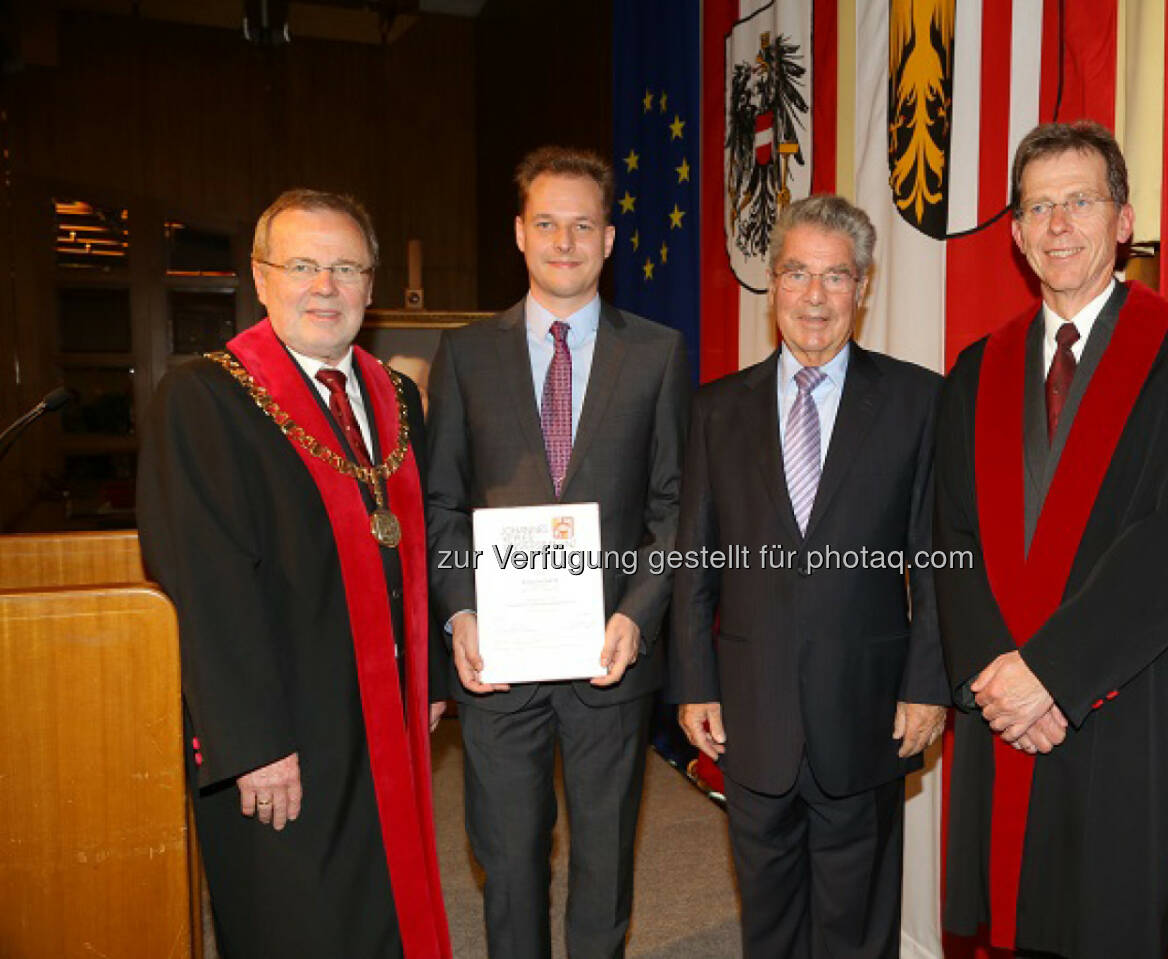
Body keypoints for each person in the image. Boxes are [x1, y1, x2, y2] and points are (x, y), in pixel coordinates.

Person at [935, 121, 1168, 958]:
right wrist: (1000, 678)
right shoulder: (975, 371)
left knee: (1103, 920)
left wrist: (1054, 675)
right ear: (1014, 233)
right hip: (1001, 701)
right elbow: (950, 536)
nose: (1058, 225)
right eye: (1038, 207)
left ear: (1124, 219)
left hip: (1121, 703)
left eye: (1080, 200)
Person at [137, 189, 451, 958]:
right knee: (296, 915)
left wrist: (432, 671)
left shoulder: (397, 397)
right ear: (261, 274)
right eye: (303, 265)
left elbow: (415, 543)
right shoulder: (204, 397)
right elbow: (205, 583)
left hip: (379, 710)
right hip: (281, 719)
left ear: (371, 286)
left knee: (379, 902)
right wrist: (251, 742)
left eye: (346, 267)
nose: (325, 286)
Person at [425, 146, 690, 959]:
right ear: (519, 233)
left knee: (605, 859)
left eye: (584, 224)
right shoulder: (467, 355)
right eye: (547, 223)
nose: (565, 241)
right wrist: (461, 610)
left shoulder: (657, 352)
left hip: (609, 654)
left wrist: (637, 617)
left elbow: (674, 509)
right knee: (506, 858)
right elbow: (441, 507)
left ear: (610, 239)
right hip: (498, 661)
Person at [670, 194, 949, 959]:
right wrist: (694, 679)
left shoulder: (919, 400)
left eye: (836, 277)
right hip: (751, 712)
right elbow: (696, 556)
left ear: (864, 287)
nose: (816, 297)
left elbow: (935, 557)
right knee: (770, 919)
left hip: (867, 712)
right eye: (798, 273)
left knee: (857, 927)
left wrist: (928, 684)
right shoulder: (715, 410)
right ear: (774, 282)